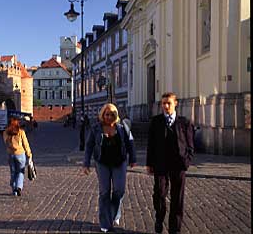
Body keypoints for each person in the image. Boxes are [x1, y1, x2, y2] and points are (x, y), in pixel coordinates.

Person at [83, 103, 136, 233]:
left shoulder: (122, 127)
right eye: (107, 114)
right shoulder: (96, 128)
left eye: (112, 114)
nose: (109, 117)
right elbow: (89, 146)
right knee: (104, 192)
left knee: (119, 190)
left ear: (116, 115)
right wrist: (86, 163)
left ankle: (114, 213)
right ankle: (105, 223)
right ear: (102, 115)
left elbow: (130, 142)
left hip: (119, 162)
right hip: (102, 163)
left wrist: (133, 159)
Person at [146, 92, 195, 234]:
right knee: (159, 194)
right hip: (160, 163)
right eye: (163, 103)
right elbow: (151, 144)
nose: (166, 106)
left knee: (177, 197)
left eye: (169, 103)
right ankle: (159, 218)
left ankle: (175, 229)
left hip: (178, 165)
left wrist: (186, 161)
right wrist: (149, 164)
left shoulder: (184, 122)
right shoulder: (156, 121)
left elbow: (190, 145)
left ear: (175, 104)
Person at [2, 116, 33, 196]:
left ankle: (14, 189)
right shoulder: (21, 132)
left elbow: (5, 142)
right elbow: (26, 144)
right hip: (20, 154)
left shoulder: (6, 132)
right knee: (20, 171)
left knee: (13, 172)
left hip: (11, 154)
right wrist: (29, 154)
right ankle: (19, 187)